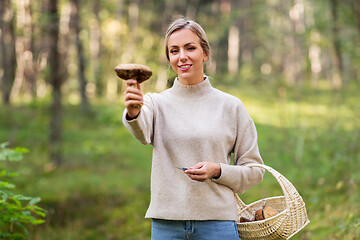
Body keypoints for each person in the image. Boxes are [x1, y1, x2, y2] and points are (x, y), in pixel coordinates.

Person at [122, 17, 264, 240]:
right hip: (166, 226)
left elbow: (254, 171)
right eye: (174, 50)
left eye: (190, 48)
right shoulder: (154, 103)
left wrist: (218, 170)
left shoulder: (231, 106)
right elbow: (141, 131)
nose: (182, 56)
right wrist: (133, 110)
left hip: (218, 225)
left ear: (205, 53)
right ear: (169, 57)